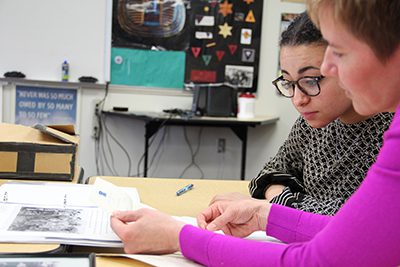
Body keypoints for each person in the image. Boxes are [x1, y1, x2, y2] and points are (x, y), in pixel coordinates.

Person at [110, 1, 400, 265]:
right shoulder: (321, 123)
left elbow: (326, 250)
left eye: (340, 51)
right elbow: (273, 181)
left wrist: (179, 237)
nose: (330, 67)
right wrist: (263, 214)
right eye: (288, 82)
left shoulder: (388, 131)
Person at [247, 12, 392, 215]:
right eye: (289, 82)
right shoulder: (310, 125)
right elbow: (269, 174)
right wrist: (279, 195)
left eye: (311, 80)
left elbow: (359, 219)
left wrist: (282, 202)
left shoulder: (389, 131)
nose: (298, 100)